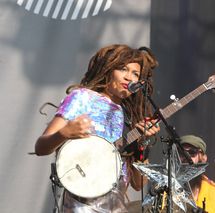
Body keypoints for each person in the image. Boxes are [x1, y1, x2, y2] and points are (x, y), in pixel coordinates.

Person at [35, 44, 161, 212]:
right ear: (108, 69)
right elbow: (40, 147)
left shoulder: (130, 117)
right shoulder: (82, 98)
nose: (129, 77)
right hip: (80, 205)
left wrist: (141, 146)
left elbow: (138, 184)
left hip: (116, 206)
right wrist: (64, 133)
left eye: (135, 74)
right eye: (123, 69)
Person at [180, 135, 215, 213]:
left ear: (203, 159)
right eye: (182, 152)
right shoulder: (165, 189)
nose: (186, 156)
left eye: (192, 152)